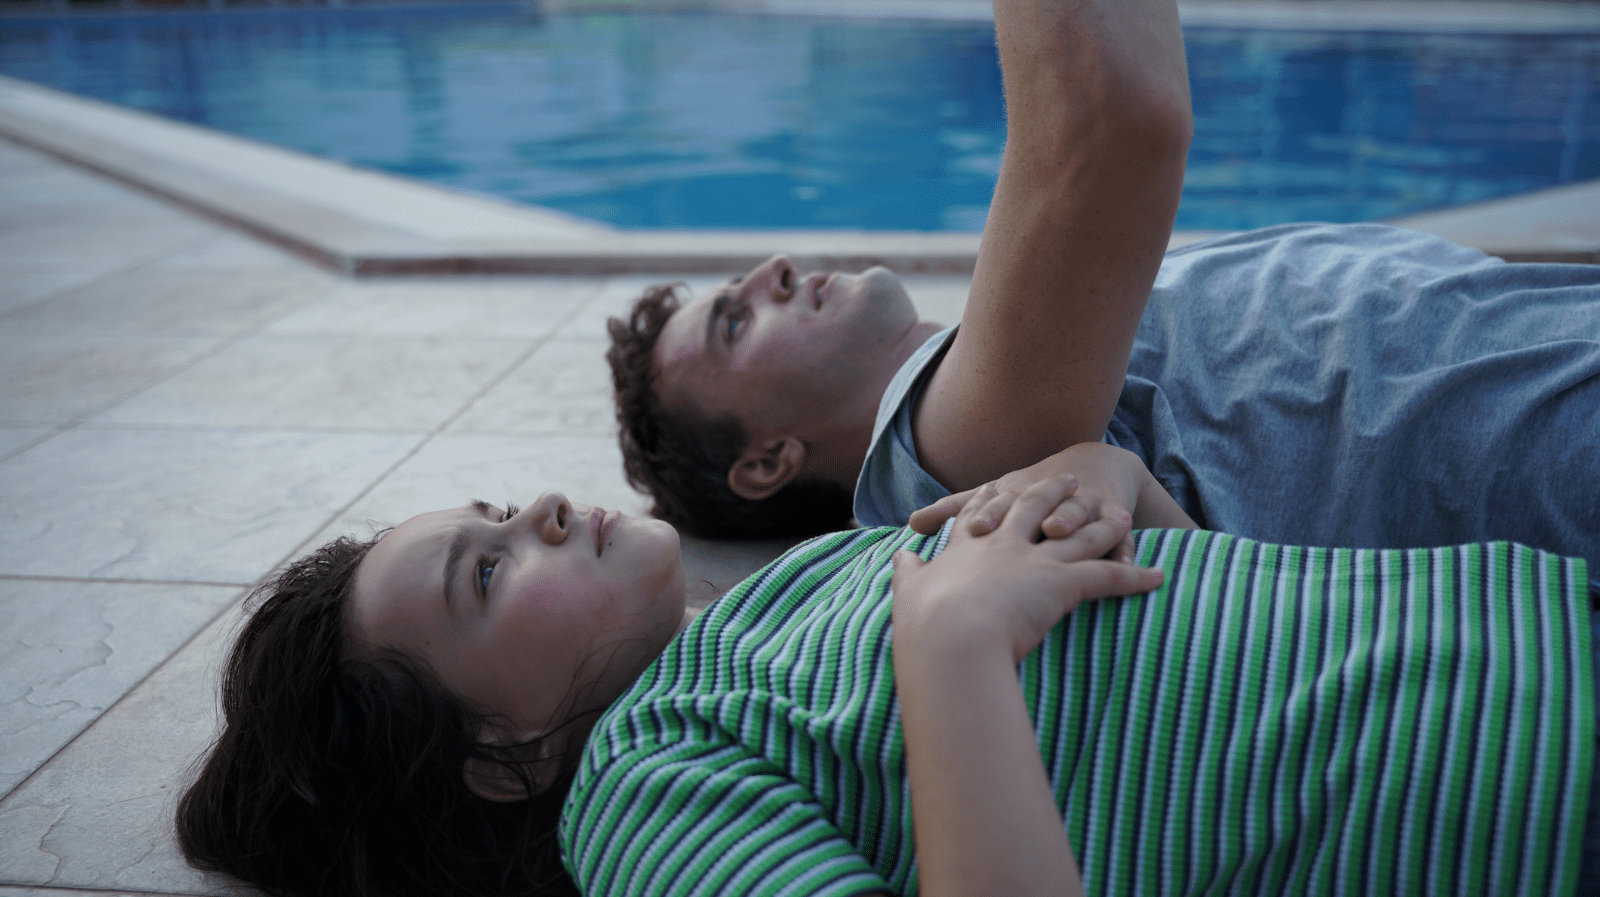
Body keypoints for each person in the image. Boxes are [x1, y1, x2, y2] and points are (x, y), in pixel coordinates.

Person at [174, 445, 1595, 896]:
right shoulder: (641, 796)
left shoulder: (794, 586)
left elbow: (1187, 661)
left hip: (1544, 623)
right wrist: (956, 642)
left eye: (492, 511)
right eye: (485, 573)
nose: (534, 515)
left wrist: (1126, 495)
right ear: (505, 756)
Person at [606, 0, 1600, 570]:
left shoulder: (1027, 363)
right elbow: (1105, 122)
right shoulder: (948, 460)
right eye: (735, 322)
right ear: (768, 462)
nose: (773, 270)